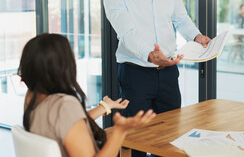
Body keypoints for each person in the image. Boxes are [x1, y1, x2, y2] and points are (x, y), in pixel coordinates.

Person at [103, 0, 211, 157]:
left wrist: (197, 36)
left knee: (170, 138)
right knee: (137, 141)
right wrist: (150, 55)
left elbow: (181, 19)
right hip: (135, 74)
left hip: (168, 75)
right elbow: (127, 32)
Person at [18, 33, 156, 157]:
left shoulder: (32, 98)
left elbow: (66, 125)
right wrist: (121, 130)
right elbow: (66, 119)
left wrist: (104, 107)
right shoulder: (64, 105)